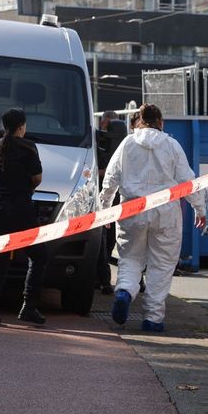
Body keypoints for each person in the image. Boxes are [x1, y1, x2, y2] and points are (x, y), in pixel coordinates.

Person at [100, 104, 205, 332]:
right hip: (165, 213)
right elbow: (188, 180)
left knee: (130, 257)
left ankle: (125, 291)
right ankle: (153, 319)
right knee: (162, 264)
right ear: (160, 122)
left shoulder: (127, 144)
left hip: (132, 210)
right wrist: (200, 208)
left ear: (138, 121)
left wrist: (105, 209)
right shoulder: (171, 145)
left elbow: (111, 178)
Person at [0, 108, 47, 327]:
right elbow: (37, 178)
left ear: (3, 126)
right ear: (21, 127)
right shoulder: (29, 147)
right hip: (23, 210)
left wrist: (4, 184)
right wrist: (22, 185)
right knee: (38, 256)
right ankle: (28, 306)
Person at [94, 110, 120, 295]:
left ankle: (102, 278)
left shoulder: (118, 144)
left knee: (106, 239)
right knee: (104, 239)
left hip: (108, 197)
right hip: (107, 197)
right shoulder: (99, 141)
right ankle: (102, 278)